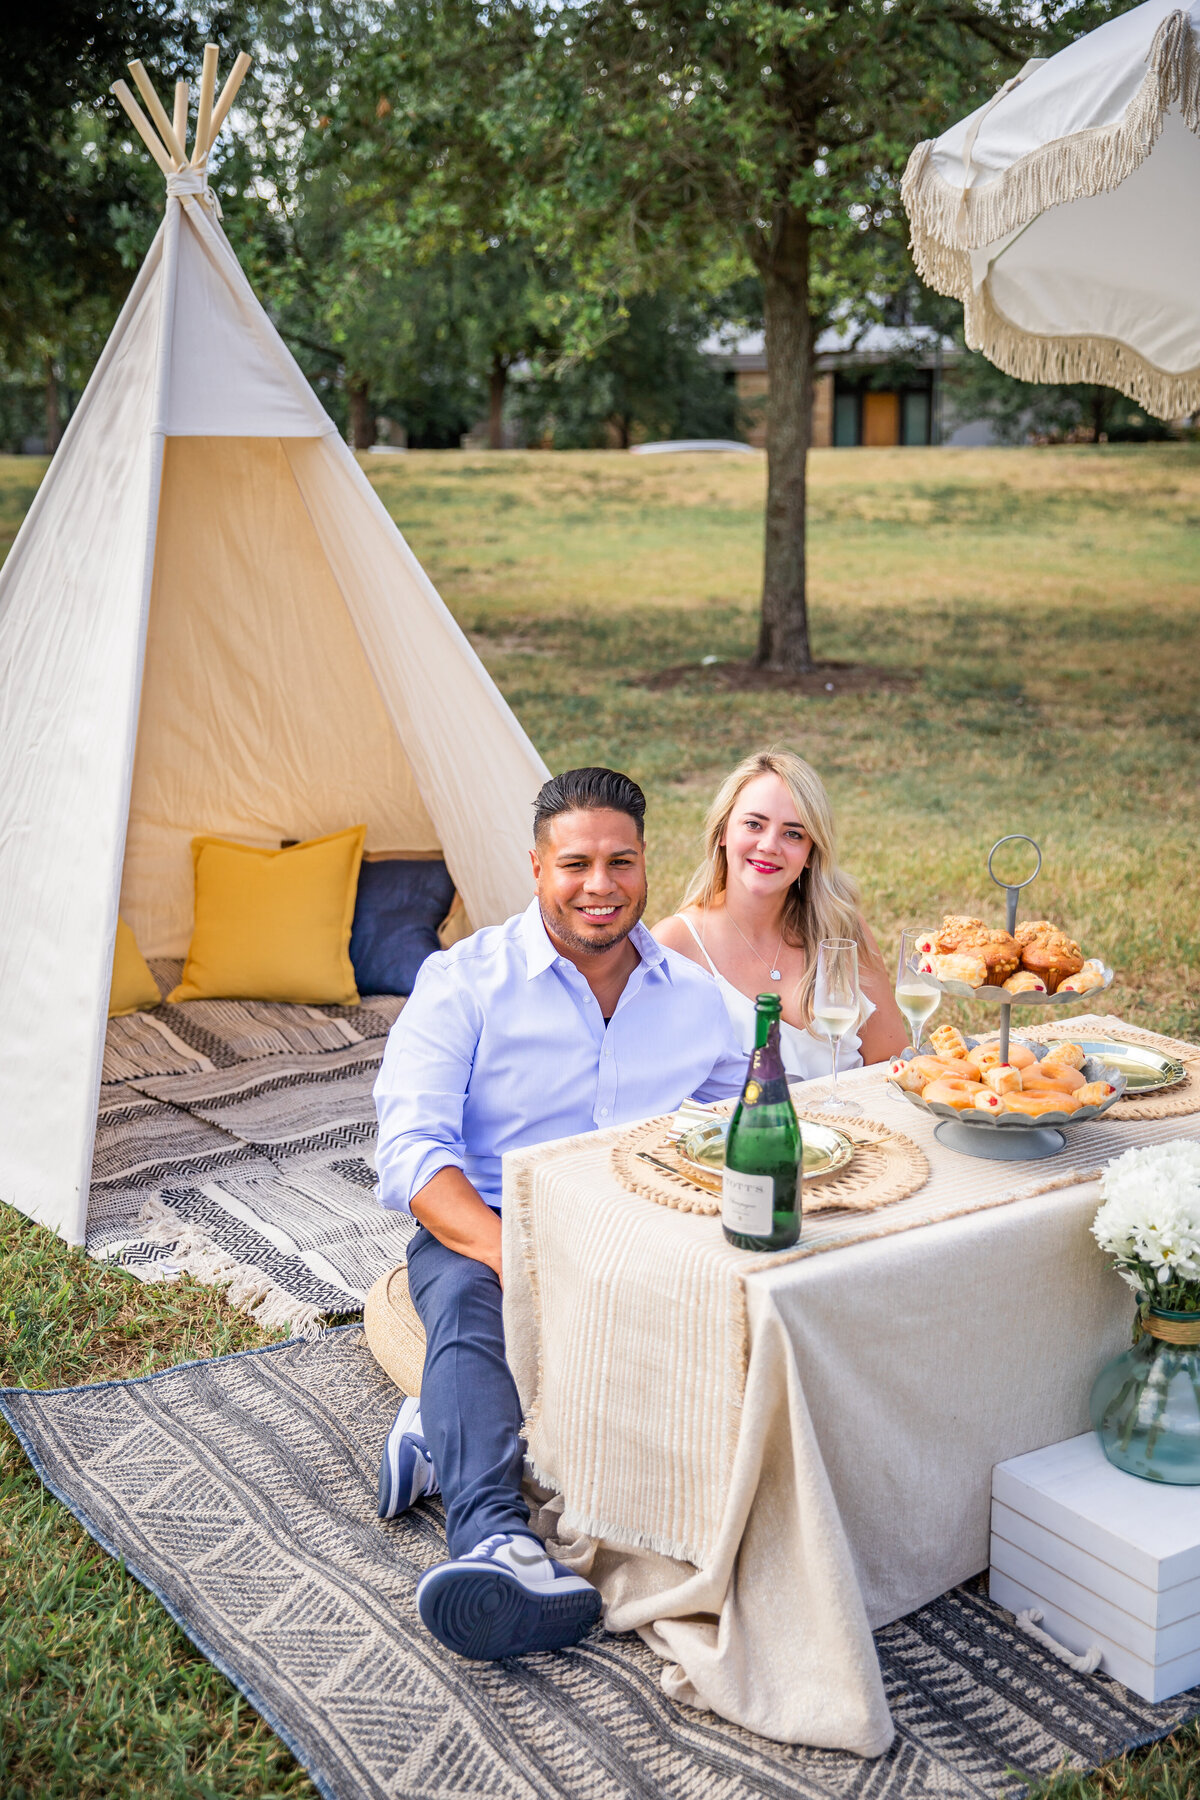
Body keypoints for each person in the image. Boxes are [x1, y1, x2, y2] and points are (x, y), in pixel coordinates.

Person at [372, 766, 746, 1662]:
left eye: (621, 862)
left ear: (647, 866)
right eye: (575, 863)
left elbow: (736, 1122)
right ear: (537, 868)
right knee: (469, 1307)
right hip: (488, 1221)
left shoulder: (696, 1000)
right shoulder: (464, 981)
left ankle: (438, 1427)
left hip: (639, 1224)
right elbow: (415, 1154)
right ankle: (496, 1542)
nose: (600, 886)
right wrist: (524, 1262)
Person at [653, 748, 906, 1077]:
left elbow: (891, 1063)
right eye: (754, 824)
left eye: (793, 833)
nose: (769, 845)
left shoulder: (843, 930)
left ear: (812, 853)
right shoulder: (676, 944)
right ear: (722, 833)